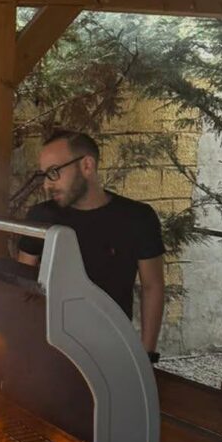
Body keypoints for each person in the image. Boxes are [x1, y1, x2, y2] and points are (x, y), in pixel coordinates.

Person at [17, 130, 165, 362]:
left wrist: (147, 356)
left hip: (111, 345)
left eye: (54, 172)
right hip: (52, 344)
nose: (47, 185)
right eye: (44, 175)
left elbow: (152, 286)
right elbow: (23, 284)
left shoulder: (137, 218)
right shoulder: (41, 217)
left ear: (87, 165)